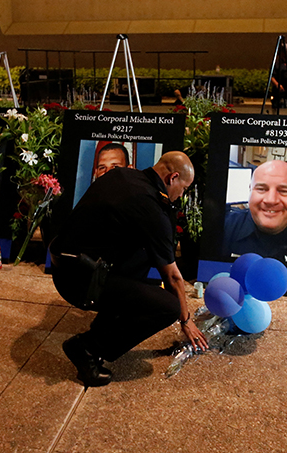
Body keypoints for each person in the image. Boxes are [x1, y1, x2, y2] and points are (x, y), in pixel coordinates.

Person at [50, 151, 208, 387]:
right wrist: (185, 320)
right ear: (172, 177)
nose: (181, 195)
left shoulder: (123, 176)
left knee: (146, 255)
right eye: (183, 189)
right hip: (82, 282)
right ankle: (86, 348)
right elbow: (173, 277)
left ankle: (108, 319)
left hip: (69, 267)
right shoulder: (150, 205)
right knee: (167, 306)